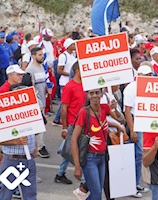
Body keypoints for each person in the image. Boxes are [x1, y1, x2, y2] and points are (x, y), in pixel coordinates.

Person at [71, 88, 122, 200]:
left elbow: (121, 120)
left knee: (96, 194)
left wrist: (115, 109)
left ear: (101, 94)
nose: (94, 96)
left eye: (97, 93)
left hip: (102, 157)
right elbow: (74, 139)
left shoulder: (105, 108)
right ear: (88, 96)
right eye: (91, 93)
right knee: (97, 194)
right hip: (90, 159)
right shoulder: (84, 112)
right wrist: (77, 167)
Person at [53, 61, 89, 199]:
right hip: (73, 124)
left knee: (69, 149)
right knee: (75, 150)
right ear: (78, 71)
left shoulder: (85, 85)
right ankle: (85, 179)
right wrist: (64, 127)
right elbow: (64, 108)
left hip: (82, 123)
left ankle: (60, 173)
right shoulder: (69, 87)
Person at [0, 84, 38, 200]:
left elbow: (34, 132)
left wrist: (34, 147)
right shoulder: (6, 117)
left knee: (30, 194)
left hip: (28, 159)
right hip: (12, 160)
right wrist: (17, 142)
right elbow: (0, 140)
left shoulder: (31, 113)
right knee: (6, 194)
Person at [124, 65, 153, 198]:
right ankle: (130, 186)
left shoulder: (147, 87)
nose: (149, 77)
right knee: (136, 155)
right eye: (147, 75)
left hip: (143, 122)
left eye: (150, 75)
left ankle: (135, 183)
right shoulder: (131, 87)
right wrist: (132, 130)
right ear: (140, 75)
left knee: (138, 155)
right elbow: (127, 110)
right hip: (135, 122)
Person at [26, 47, 49, 158]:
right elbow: (30, 88)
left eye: (42, 54)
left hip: (43, 100)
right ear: (33, 56)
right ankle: (40, 146)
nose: (42, 56)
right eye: (39, 55)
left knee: (42, 124)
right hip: (37, 102)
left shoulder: (41, 67)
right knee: (41, 124)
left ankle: (37, 145)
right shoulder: (30, 70)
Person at [52, 38, 76, 126]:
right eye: (73, 44)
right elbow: (59, 70)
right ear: (68, 46)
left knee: (67, 102)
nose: (75, 46)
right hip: (64, 82)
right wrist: (70, 74)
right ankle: (57, 119)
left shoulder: (73, 55)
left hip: (71, 81)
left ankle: (60, 119)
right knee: (64, 102)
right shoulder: (63, 56)